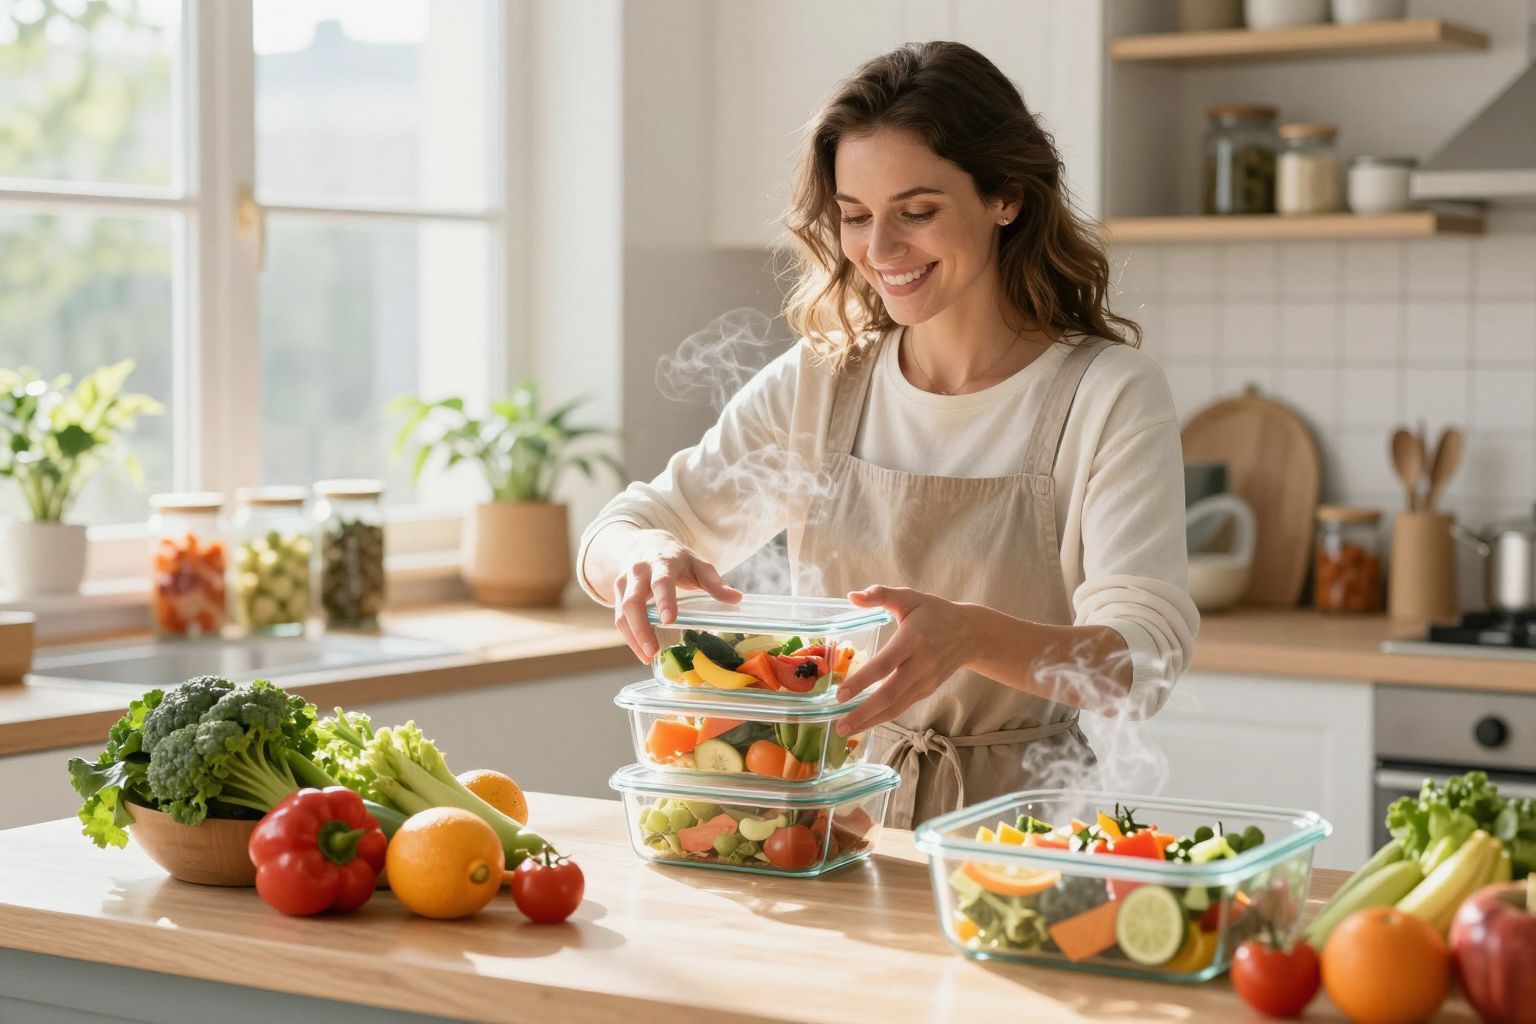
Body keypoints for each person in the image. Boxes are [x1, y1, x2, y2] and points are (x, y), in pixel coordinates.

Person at [578, 41, 1198, 828]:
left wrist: (970, 635)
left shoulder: (1107, 394)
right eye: (856, 218)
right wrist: (640, 556)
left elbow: (1140, 661)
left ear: (1006, 195)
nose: (880, 251)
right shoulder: (822, 382)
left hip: (1021, 833)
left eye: (917, 212)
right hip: (824, 816)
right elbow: (620, 529)